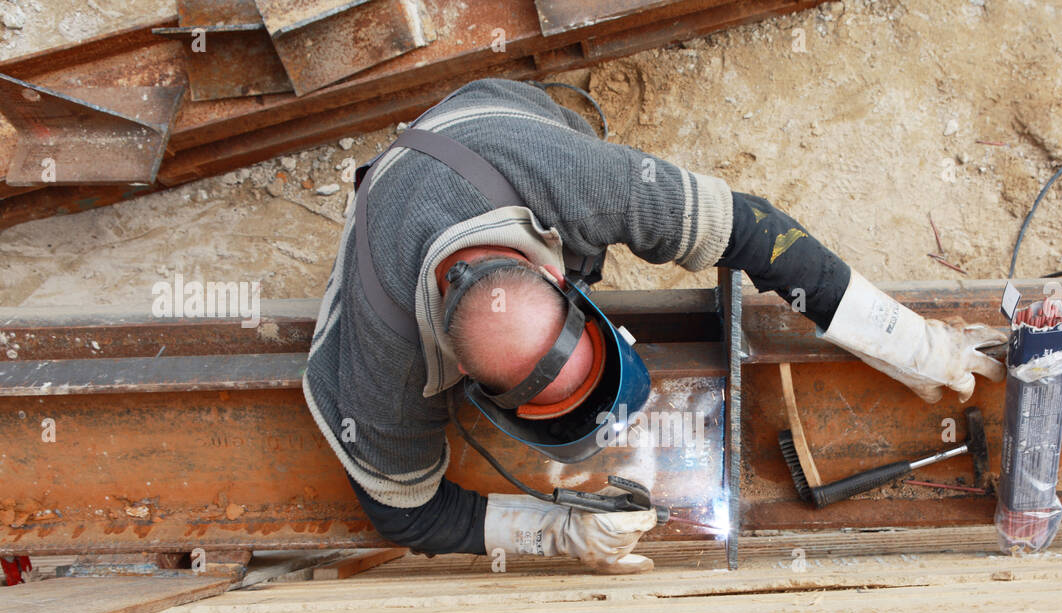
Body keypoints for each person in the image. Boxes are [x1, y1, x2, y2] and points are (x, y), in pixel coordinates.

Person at [303, 79, 1004, 574]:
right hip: (384, 222)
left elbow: (753, 230)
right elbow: (405, 515)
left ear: (559, 278)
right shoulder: (387, 365)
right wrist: (557, 535)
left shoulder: (582, 182)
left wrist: (904, 341)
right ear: (468, 384)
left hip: (488, 116)